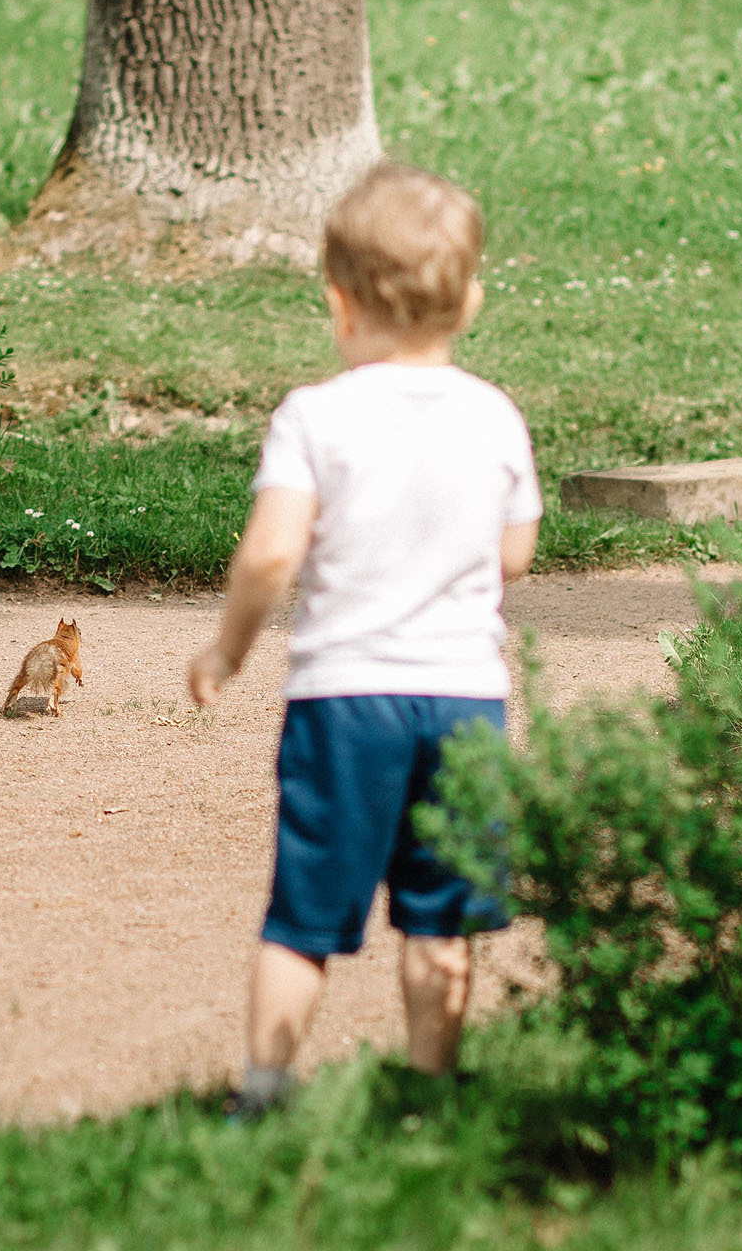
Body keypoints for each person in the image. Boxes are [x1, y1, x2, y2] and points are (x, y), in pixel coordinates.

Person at [187, 160, 543, 1120]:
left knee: (304, 914)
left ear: (339, 304)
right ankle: (430, 1091)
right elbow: (514, 553)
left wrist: (227, 652)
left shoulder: (316, 417)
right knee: (440, 918)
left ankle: (263, 1092)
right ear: (469, 299)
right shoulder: (497, 417)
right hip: (465, 696)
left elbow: (268, 557)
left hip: (344, 702)